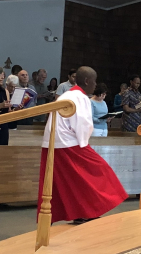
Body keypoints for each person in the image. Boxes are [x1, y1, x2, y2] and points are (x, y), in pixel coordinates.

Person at [38, 66, 127, 224]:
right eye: (94, 81)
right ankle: (88, 209)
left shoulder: (67, 94)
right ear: (87, 81)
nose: (95, 84)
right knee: (99, 170)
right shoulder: (81, 97)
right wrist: (84, 143)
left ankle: (80, 211)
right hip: (68, 142)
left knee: (71, 181)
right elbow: (83, 124)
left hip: (54, 142)